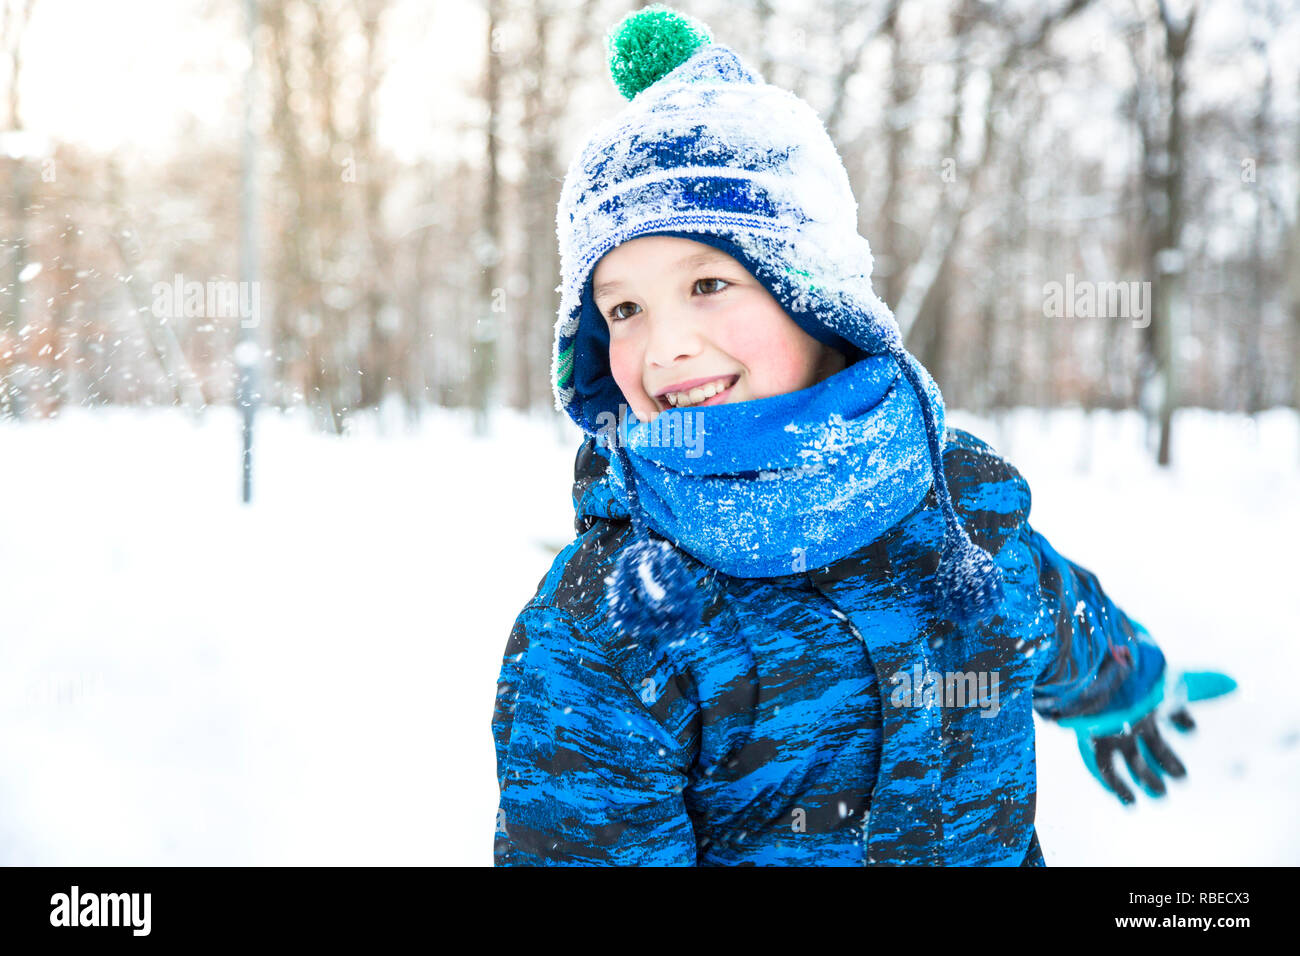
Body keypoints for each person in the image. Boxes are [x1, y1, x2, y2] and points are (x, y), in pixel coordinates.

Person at [490, 4, 1234, 866]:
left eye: (707, 283)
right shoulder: (612, 626)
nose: (666, 345)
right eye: (624, 307)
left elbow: (1053, 615)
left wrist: (1130, 685)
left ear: (814, 293)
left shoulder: (960, 511)